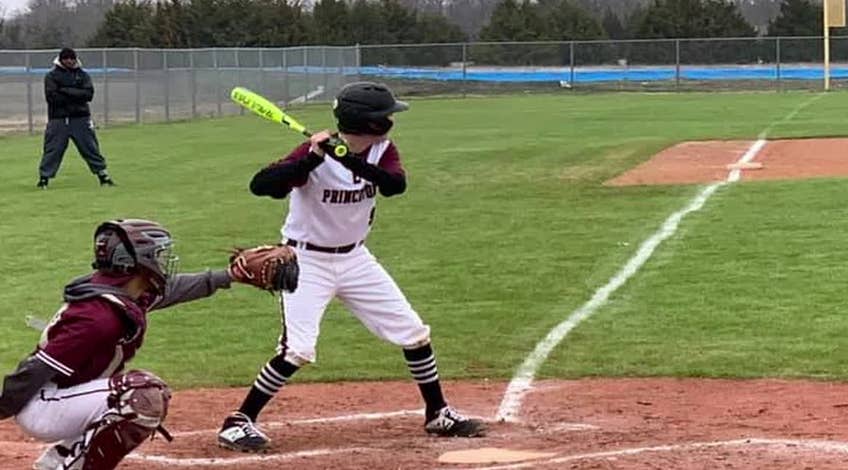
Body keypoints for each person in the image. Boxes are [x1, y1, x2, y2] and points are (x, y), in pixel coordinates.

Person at [217, 81, 486, 453]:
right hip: (307, 260)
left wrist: (346, 158)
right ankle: (238, 422)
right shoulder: (313, 154)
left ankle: (437, 412)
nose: (391, 121)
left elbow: (395, 186)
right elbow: (262, 186)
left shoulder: (382, 151)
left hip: (356, 259)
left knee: (413, 332)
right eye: (386, 116)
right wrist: (312, 158)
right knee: (298, 349)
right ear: (369, 122)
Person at [0, 219, 255, 469]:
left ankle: (59, 459)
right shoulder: (97, 318)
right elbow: (36, 369)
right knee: (141, 395)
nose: (162, 262)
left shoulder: (121, 293)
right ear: (134, 260)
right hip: (44, 406)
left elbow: (172, 290)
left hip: (65, 395)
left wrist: (228, 276)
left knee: (146, 394)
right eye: (157, 255)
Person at [38, 47, 115, 189]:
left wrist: (65, 90)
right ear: (60, 60)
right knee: (53, 149)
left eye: (71, 58)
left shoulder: (83, 75)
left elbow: (88, 94)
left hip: (81, 118)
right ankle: (44, 178)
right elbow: (52, 97)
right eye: (66, 59)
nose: (69, 61)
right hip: (58, 119)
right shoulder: (52, 76)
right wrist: (76, 94)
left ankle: (103, 175)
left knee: (90, 147)